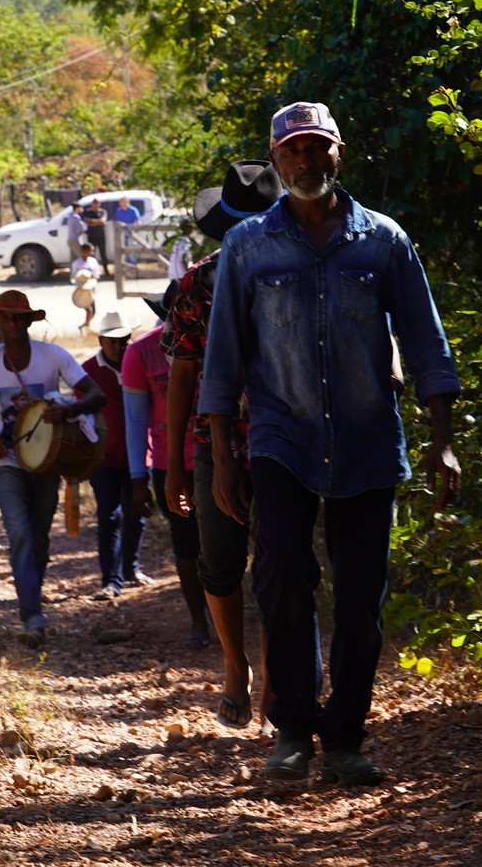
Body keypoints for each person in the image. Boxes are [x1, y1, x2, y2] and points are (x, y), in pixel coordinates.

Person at [200, 101, 463, 788]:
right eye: (293, 152)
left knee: (360, 596)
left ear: (339, 153)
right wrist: (223, 455)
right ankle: (291, 729)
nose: (306, 162)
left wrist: (443, 441)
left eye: (318, 149)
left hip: (369, 437)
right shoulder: (248, 246)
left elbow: (425, 341)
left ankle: (344, 737)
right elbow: (223, 358)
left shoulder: (384, 241)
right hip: (281, 437)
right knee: (282, 571)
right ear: (276, 159)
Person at [163, 159, 282, 732]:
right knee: (219, 560)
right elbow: (183, 374)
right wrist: (173, 467)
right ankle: (236, 663)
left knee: (284, 564)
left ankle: (278, 672)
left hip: (288, 439)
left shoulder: (299, 276)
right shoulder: (198, 284)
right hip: (217, 441)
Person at [0, 290, 105, 645]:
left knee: (39, 536)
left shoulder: (52, 356)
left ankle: (32, 598)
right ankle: (31, 615)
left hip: (47, 461)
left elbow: (95, 394)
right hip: (6, 462)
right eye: (3, 318)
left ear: (28, 321)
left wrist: (68, 411)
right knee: (20, 531)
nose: (10, 324)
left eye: (16, 318)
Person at [122, 286, 211, 649]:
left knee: (222, 543)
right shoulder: (141, 352)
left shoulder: (214, 340)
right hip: (169, 467)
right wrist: (137, 478)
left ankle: (226, 615)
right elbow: (134, 421)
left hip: (221, 458)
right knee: (186, 543)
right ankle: (198, 622)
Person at [83, 310, 146, 597]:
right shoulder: (88, 371)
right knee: (109, 515)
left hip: (138, 456)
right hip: (104, 458)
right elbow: (79, 414)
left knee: (136, 512)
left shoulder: (138, 362)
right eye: (113, 342)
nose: (119, 347)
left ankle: (131, 568)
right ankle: (111, 578)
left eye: (124, 340)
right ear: (101, 340)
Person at [70, 242, 102, 332]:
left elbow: (98, 274)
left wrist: (92, 276)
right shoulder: (76, 263)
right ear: (83, 251)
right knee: (88, 309)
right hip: (82, 289)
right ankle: (86, 326)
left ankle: (85, 325)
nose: (91, 252)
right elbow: (73, 277)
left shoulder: (93, 261)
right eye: (89, 251)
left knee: (93, 310)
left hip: (91, 288)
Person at [82, 197, 111, 278]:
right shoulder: (88, 212)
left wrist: (93, 221)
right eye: (94, 203)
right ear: (92, 204)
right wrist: (98, 222)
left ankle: (106, 271)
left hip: (101, 237)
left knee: (103, 255)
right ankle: (92, 272)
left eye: (97, 203)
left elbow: (103, 221)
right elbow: (88, 222)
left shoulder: (102, 212)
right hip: (91, 237)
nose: (96, 205)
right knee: (91, 255)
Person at [112, 196, 143, 271]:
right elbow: (115, 220)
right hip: (121, 233)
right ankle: (125, 265)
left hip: (131, 232)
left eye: (121, 202)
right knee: (122, 249)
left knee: (131, 248)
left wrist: (136, 230)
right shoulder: (118, 210)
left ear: (126, 202)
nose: (120, 204)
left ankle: (133, 265)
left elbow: (138, 221)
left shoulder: (133, 210)